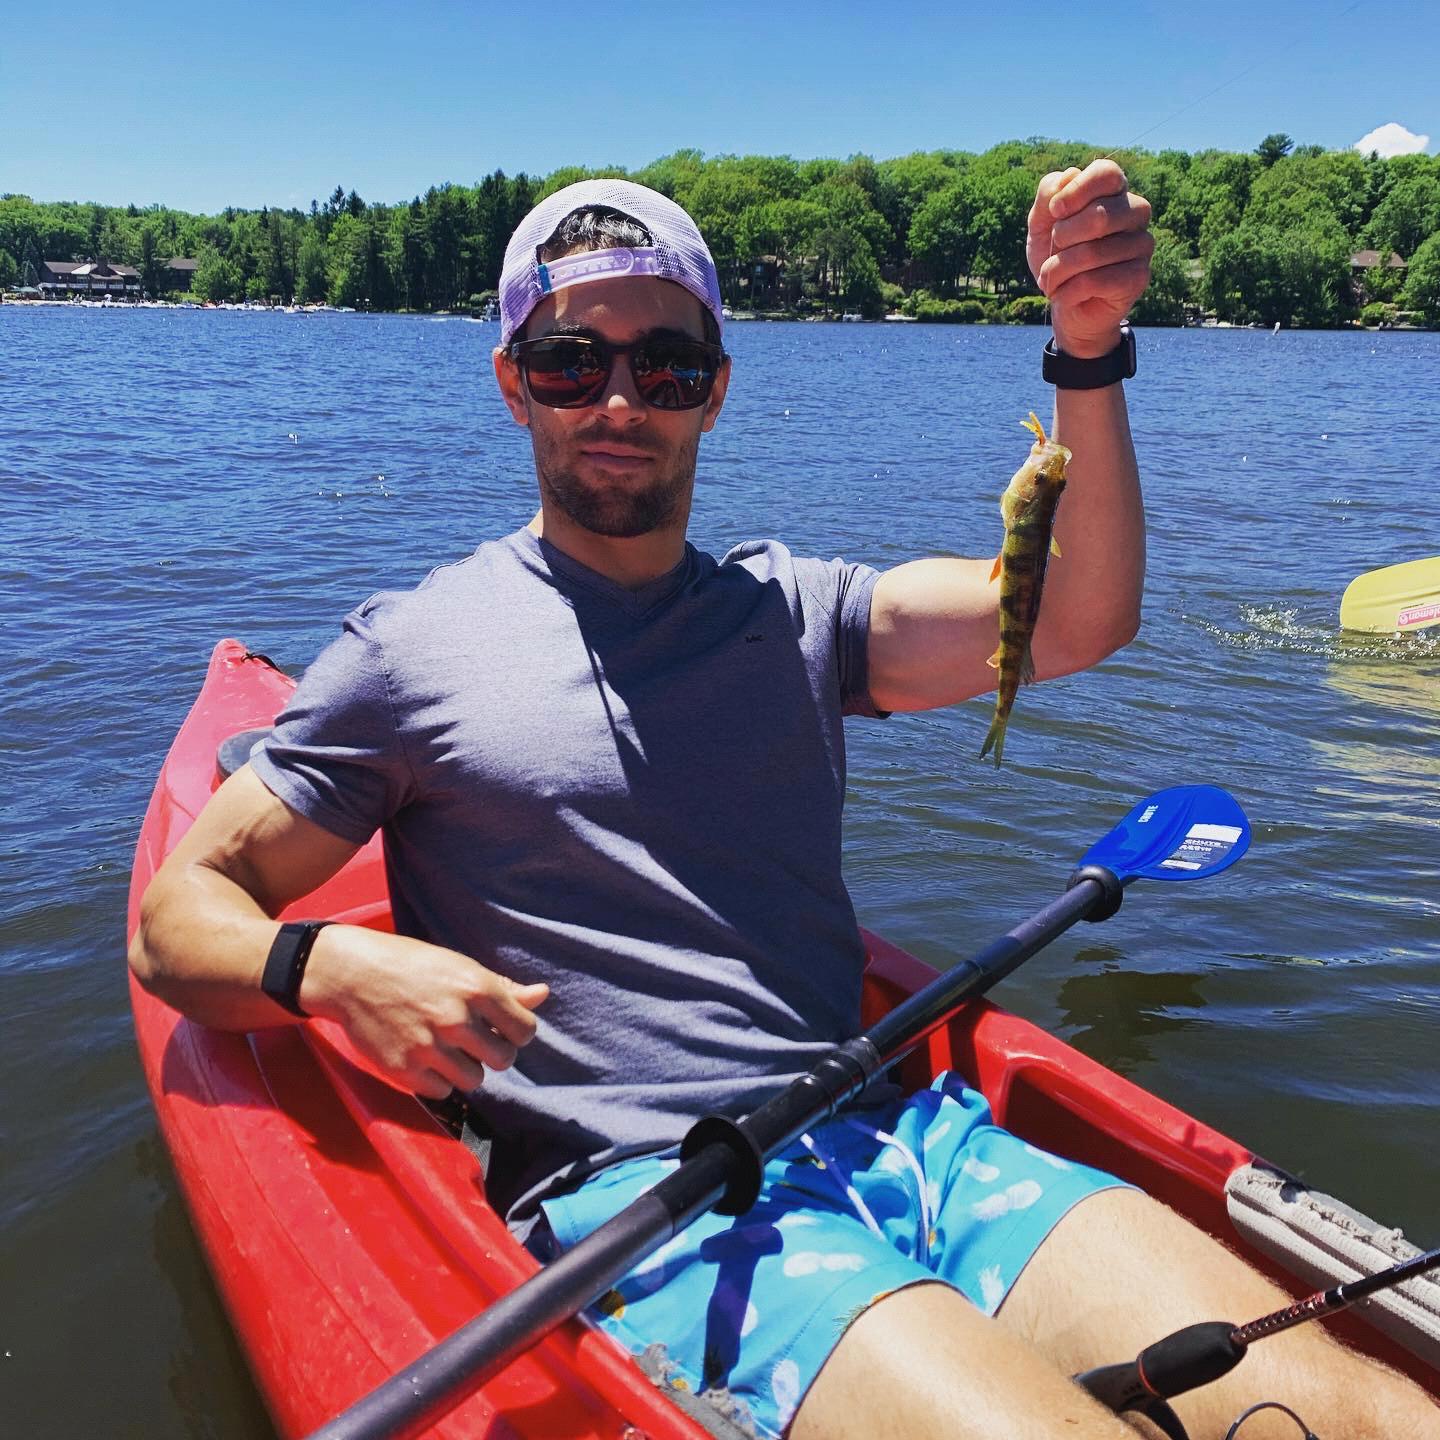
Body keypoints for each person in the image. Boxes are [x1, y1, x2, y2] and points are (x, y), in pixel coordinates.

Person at [129, 174, 1436, 1440]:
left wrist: (1085, 354)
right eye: (573, 363)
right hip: (660, 1203)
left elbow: (1077, 616)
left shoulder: (800, 613)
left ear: (716, 392)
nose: (620, 400)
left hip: (911, 1138)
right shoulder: (410, 654)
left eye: (667, 366)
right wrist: (328, 966)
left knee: (1373, 1415)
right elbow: (179, 919)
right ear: (513, 383)